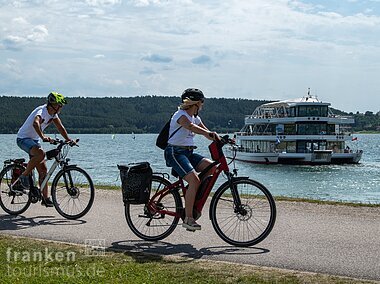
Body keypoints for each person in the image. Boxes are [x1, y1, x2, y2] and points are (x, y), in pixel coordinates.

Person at [164, 88, 219, 231]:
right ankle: (188, 218)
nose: (203, 105)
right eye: (202, 102)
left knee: (212, 167)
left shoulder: (196, 118)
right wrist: (209, 134)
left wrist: (219, 138)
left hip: (188, 153)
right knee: (195, 180)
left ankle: (191, 191)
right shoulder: (180, 115)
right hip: (174, 152)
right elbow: (190, 127)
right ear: (195, 103)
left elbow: (207, 133)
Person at [15, 92, 74, 207]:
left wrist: (68, 139)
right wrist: (43, 137)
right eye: (59, 105)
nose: (61, 107)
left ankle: (45, 198)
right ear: (52, 104)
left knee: (43, 170)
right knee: (41, 154)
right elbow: (36, 124)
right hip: (23, 139)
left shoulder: (53, 115)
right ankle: (24, 175)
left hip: (34, 140)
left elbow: (60, 128)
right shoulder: (42, 111)